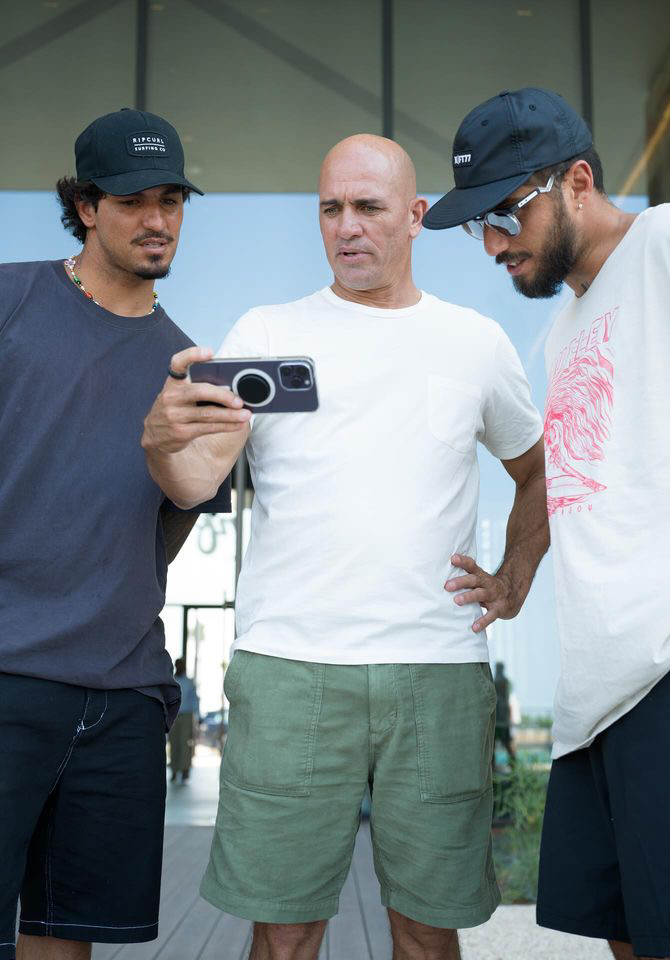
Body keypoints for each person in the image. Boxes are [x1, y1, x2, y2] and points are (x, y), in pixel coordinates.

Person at [142, 134, 549, 960]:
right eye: (330, 208)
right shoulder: (266, 331)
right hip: (290, 668)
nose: (346, 227)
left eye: (367, 207)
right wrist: (161, 439)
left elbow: (538, 469)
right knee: (285, 931)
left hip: (436, 673)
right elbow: (193, 486)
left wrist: (515, 578)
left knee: (427, 933)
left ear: (415, 215)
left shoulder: (474, 343)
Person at [426, 87, 670, 960]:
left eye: (505, 214)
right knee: (628, 940)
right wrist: (518, 574)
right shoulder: (563, 331)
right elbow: (569, 474)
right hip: (601, 696)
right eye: (476, 225)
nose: (490, 245)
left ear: (579, 181)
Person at [0, 108, 229, 960]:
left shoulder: (189, 373)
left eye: (171, 199)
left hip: (123, 693)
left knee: (66, 943)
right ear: (86, 206)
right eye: (134, 200)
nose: (158, 219)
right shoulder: (10, 298)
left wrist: (192, 460)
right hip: (7, 673)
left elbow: (161, 538)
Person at [169, 658, 200, 782]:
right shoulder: (171, 680)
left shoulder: (189, 682)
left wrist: (197, 717)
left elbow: (194, 700)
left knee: (185, 743)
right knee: (174, 743)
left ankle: (185, 769)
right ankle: (174, 770)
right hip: (173, 716)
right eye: (179, 665)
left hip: (186, 715)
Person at [492, 662, 516, 767]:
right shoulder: (504, 682)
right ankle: (512, 766)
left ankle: (511, 766)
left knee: (496, 747)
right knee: (504, 746)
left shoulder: (497, 681)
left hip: (500, 721)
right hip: (500, 721)